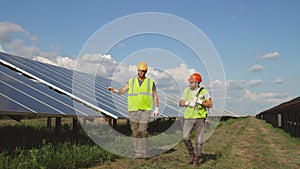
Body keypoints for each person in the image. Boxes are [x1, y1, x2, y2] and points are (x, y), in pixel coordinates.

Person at [108, 61, 159, 158]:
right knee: (135, 131)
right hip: (133, 110)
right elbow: (122, 91)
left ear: (146, 71)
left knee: (143, 130)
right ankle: (138, 152)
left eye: (143, 71)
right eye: (140, 70)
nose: (141, 72)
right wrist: (115, 91)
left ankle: (144, 151)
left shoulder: (150, 82)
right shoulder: (131, 81)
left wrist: (156, 108)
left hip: (145, 110)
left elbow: (155, 95)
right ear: (137, 70)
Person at [179, 72, 212, 166]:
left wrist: (200, 101)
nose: (189, 84)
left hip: (200, 118)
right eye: (189, 82)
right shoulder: (186, 91)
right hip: (188, 117)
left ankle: (197, 159)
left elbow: (210, 104)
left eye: (191, 82)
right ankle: (191, 153)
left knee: (199, 140)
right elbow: (180, 103)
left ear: (197, 83)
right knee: (185, 137)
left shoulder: (204, 91)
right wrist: (187, 103)